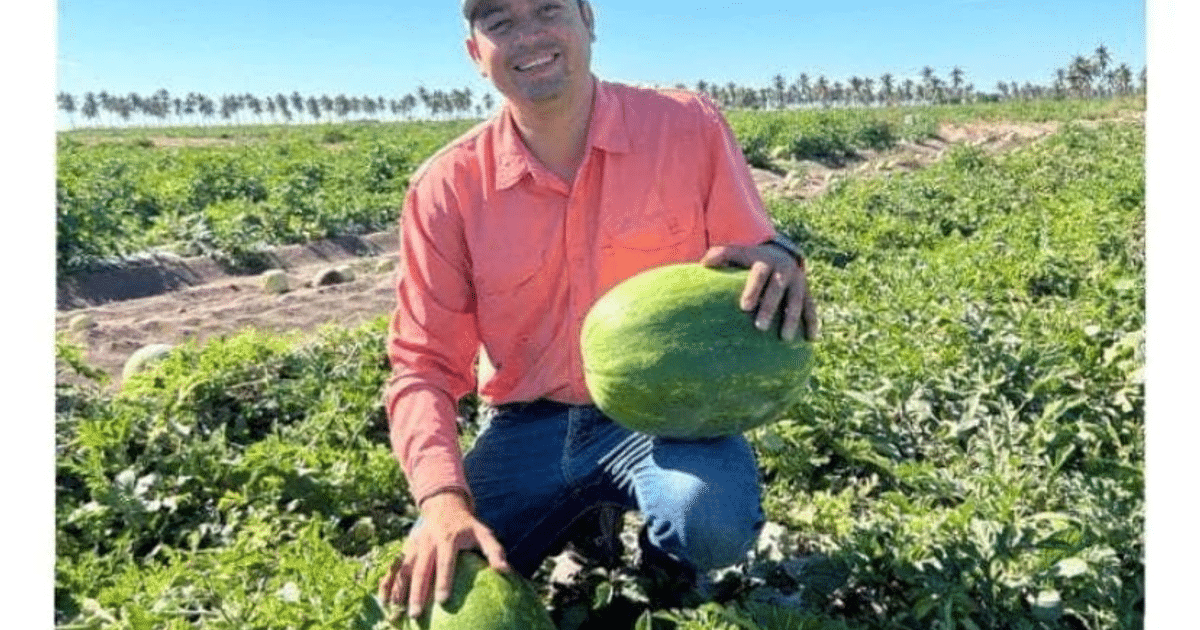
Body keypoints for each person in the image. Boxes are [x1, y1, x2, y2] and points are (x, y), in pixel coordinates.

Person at [377, 0, 818, 619]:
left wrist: (780, 256)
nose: (528, 35)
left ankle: (667, 573)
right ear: (477, 53)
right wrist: (442, 500)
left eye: (548, 9)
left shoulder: (686, 126)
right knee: (445, 581)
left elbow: (753, 262)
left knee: (708, 520)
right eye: (499, 22)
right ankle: (588, 516)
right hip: (523, 423)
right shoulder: (446, 188)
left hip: (661, 418)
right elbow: (421, 362)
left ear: (588, 21)